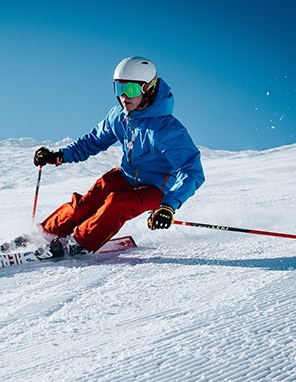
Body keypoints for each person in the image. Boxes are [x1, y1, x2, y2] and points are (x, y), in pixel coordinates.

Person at [32, 56, 205, 258]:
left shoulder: (167, 130)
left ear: (147, 89)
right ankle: (43, 234)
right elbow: (92, 141)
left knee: (118, 202)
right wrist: (59, 155)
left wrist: (169, 205)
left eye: (130, 89)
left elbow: (191, 171)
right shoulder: (119, 116)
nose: (123, 96)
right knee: (86, 204)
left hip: (157, 188)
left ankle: (78, 243)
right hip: (125, 175)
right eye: (118, 88)